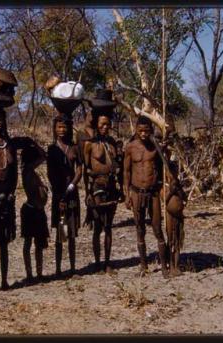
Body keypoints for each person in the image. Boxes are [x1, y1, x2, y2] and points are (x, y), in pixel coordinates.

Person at [0, 107, 44, 291]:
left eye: (0, 118)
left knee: (4, 242)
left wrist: (12, 192)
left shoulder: (9, 143)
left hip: (7, 199)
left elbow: (13, 172)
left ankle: (4, 280)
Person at [123, 116, 169, 278]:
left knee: (157, 228)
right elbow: (126, 171)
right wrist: (126, 194)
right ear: (136, 130)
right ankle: (144, 266)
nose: (143, 134)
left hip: (153, 193)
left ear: (151, 130)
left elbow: (165, 167)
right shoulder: (130, 147)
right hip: (136, 193)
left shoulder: (155, 147)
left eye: (146, 130)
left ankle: (164, 267)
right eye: (140, 130)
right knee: (139, 229)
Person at [83, 89, 121, 274]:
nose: (106, 127)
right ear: (97, 124)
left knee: (108, 226)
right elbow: (84, 169)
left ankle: (107, 262)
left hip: (111, 187)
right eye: (103, 124)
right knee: (98, 227)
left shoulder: (113, 143)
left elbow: (117, 166)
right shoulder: (89, 144)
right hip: (96, 187)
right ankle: (97, 263)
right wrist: (87, 193)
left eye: (108, 124)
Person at [47, 115, 82, 276]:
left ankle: (73, 267)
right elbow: (50, 173)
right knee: (61, 233)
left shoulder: (74, 148)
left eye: (64, 127)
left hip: (72, 194)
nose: (61, 130)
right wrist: (60, 192)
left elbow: (80, 169)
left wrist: (72, 184)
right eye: (59, 127)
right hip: (59, 195)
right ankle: (59, 269)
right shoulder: (52, 149)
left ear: (69, 129)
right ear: (55, 129)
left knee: (72, 233)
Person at [20, 145, 49, 283]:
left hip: (37, 209)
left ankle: (37, 273)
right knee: (29, 242)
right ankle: (30, 274)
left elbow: (43, 156)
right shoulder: (27, 170)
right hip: (31, 210)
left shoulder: (30, 171)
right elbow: (43, 156)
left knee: (38, 244)